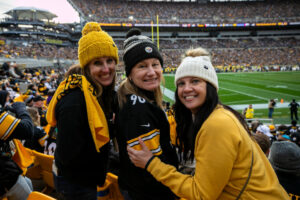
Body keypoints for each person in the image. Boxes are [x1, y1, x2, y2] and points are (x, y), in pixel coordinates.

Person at [127, 47, 289, 199]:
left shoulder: (216, 124)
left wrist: (151, 163)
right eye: (181, 83)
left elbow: (202, 195)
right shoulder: (218, 115)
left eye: (195, 81)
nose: (187, 89)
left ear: (210, 86)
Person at [46, 21, 119, 200]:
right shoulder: (76, 101)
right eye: (97, 63)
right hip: (76, 183)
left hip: (83, 179)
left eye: (110, 60)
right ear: (87, 67)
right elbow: (70, 156)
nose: (106, 68)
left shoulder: (96, 93)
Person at [116, 28, 178, 200]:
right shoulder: (138, 109)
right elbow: (150, 169)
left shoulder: (137, 100)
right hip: (149, 193)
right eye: (142, 66)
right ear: (130, 73)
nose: (151, 72)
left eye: (155, 64)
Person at [0, 90, 34, 200]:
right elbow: (27, 130)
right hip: (4, 175)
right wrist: (21, 108)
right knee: (30, 197)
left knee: (28, 181)